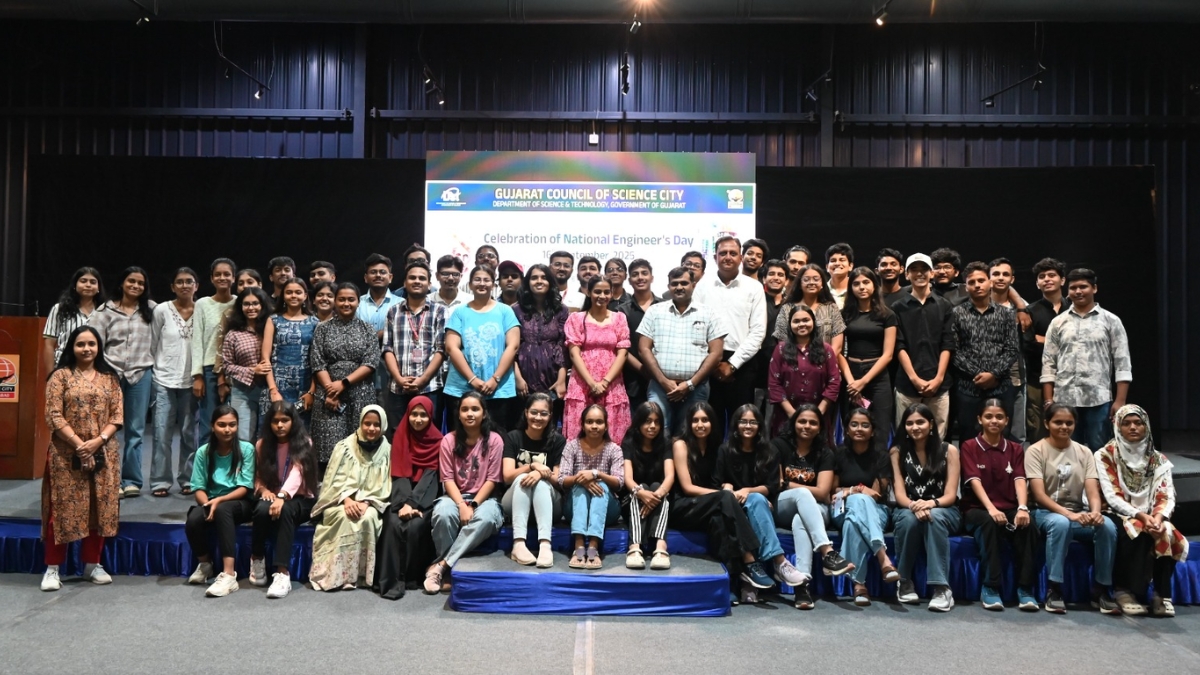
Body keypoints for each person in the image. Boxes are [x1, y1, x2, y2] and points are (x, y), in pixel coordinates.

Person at [39, 326, 123, 592]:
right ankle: (53, 569)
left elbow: (117, 416)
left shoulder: (110, 378)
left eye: (91, 344)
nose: (86, 349)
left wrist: (97, 442)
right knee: (61, 510)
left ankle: (92, 564)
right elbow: (53, 415)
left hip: (104, 452)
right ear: (71, 348)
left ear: (99, 347)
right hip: (66, 454)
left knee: (99, 508)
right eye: (80, 344)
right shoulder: (60, 376)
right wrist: (78, 444)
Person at [670, 402, 774, 603]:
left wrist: (727, 489)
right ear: (688, 423)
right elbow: (687, 488)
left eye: (705, 420)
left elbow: (720, 481)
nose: (700, 424)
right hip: (683, 507)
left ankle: (731, 584)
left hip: (707, 507)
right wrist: (726, 494)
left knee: (720, 521)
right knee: (726, 498)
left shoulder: (717, 447)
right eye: (696, 420)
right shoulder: (680, 444)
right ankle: (751, 560)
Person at [1025, 403, 1118, 614]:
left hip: (1076, 513)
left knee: (1108, 526)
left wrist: (1095, 512)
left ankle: (1101, 589)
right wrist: (1070, 515)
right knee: (1060, 523)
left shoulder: (1084, 452)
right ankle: (1054, 588)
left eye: (1069, 422)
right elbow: (1039, 495)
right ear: (1046, 423)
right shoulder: (1035, 450)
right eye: (1058, 422)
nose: (1064, 426)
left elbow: (1093, 491)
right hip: (1044, 513)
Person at [1096, 404, 1187, 618]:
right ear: (1118, 426)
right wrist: (1141, 516)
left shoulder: (1158, 459)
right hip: (1117, 511)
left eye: (1138, 423)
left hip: (1151, 515)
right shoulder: (1105, 455)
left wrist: (1157, 517)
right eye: (1126, 423)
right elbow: (1111, 495)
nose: (1133, 427)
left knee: (1167, 530)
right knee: (1134, 529)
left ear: (1146, 426)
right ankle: (1125, 591)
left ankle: (1160, 595)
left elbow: (1167, 495)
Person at [714, 404, 811, 603]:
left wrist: (748, 490)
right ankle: (778, 563)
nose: (747, 426)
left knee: (757, 501)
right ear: (735, 425)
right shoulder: (725, 450)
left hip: (761, 502)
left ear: (760, 425)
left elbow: (772, 486)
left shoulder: (769, 451)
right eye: (743, 421)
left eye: (752, 422)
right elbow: (717, 484)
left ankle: (756, 577)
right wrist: (729, 487)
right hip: (733, 504)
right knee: (753, 505)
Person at [771, 405, 857, 609]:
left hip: (816, 510)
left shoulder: (825, 453)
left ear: (819, 428)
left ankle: (802, 586)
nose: (807, 426)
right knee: (802, 494)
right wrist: (790, 487)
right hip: (783, 504)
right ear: (793, 424)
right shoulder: (778, 445)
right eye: (802, 421)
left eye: (812, 422)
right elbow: (776, 484)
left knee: (801, 519)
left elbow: (823, 493)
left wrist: (787, 483)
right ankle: (827, 552)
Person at [959, 399, 1039, 612]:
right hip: (977, 509)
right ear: (980, 419)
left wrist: (1023, 507)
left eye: (999, 417)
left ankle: (1025, 589)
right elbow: (974, 480)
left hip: (1009, 505)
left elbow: (1020, 479)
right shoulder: (969, 446)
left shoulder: (1015, 448)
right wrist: (992, 509)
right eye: (989, 416)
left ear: (1006, 421)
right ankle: (991, 587)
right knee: (989, 523)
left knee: (1029, 525)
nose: (994, 421)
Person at [1041, 268, 1132, 451]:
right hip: (1064, 399)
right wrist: (1049, 400)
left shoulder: (1111, 321)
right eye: (1073, 287)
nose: (1078, 291)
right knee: (1065, 450)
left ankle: (1097, 481)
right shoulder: (1058, 322)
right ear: (1068, 290)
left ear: (1094, 288)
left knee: (1099, 450)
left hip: (1098, 400)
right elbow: (1048, 363)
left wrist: (1120, 401)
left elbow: (1123, 362)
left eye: (1083, 286)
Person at [424, 393, 505, 594]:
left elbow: (492, 479)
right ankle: (449, 569)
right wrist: (461, 504)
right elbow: (447, 478)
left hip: (485, 499)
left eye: (475, 409)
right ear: (458, 414)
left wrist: (473, 506)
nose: (470, 413)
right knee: (443, 513)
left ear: (484, 414)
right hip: (455, 496)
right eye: (465, 409)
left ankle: (442, 566)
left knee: (486, 518)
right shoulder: (448, 440)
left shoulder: (494, 440)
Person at [309, 405, 392, 591]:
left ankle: (359, 576)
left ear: (383, 426)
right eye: (367, 423)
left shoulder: (387, 451)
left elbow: (386, 485)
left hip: (370, 502)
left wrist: (367, 501)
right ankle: (339, 575)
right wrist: (347, 499)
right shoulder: (344, 447)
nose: (371, 429)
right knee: (344, 517)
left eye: (376, 425)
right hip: (340, 501)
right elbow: (332, 481)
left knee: (369, 517)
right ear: (360, 423)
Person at [90, 266, 156, 499]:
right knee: (109, 429)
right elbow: (93, 343)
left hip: (141, 374)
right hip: (111, 375)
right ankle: (110, 479)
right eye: (131, 281)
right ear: (122, 283)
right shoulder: (105, 310)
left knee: (136, 431)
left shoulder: (152, 310)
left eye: (140, 283)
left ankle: (131, 480)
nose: (136, 286)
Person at [693, 236, 766, 442]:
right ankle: (711, 473)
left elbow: (758, 332)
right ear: (715, 257)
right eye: (722, 253)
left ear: (741, 257)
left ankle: (738, 473)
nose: (727, 257)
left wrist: (732, 365)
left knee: (743, 426)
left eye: (732, 253)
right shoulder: (702, 287)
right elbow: (695, 328)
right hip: (707, 364)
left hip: (742, 362)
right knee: (708, 425)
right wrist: (713, 363)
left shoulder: (754, 287)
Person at [890, 403, 962, 611]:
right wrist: (915, 506)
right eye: (909, 423)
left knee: (935, 517)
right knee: (908, 520)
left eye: (920, 422)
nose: (915, 427)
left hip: (944, 508)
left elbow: (950, 495)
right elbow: (900, 495)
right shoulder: (896, 451)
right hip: (908, 507)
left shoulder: (949, 450)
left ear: (931, 424)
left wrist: (931, 504)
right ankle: (904, 582)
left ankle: (941, 588)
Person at [637, 267, 726, 435]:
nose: (679, 287)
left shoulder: (709, 313)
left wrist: (690, 384)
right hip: (659, 387)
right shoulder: (655, 311)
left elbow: (716, 354)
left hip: (696, 388)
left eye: (684, 283)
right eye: (674, 284)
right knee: (657, 434)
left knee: (689, 435)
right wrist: (664, 381)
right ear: (668, 286)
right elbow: (643, 349)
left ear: (693, 284)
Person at [249, 401, 318, 599]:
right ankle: (257, 558)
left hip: (300, 498)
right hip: (273, 496)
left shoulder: (304, 442)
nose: (280, 425)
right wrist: (262, 490)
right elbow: (259, 477)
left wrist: (282, 496)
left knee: (286, 511)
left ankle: (282, 573)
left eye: (285, 420)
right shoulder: (262, 444)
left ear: (293, 421)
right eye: (275, 421)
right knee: (261, 510)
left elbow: (298, 473)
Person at [376, 395, 443, 599]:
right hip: (400, 496)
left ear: (431, 416)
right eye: (414, 414)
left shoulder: (438, 441)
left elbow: (431, 477)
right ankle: (389, 581)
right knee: (392, 523)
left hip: (425, 497)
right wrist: (403, 504)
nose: (418, 419)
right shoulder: (400, 437)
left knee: (415, 526)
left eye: (423, 415)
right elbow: (399, 473)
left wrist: (414, 503)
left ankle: (411, 577)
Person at [185, 405, 256, 598]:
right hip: (212, 500)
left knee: (224, 510)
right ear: (212, 426)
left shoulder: (247, 449)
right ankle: (205, 564)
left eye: (232, 425)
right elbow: (198, 487)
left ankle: (229, 575)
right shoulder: (203, 452)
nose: (227, 430)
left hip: (241, 502)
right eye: (222, 425)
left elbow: (245, 487)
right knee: (193, 519)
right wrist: (208, 504)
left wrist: (218, 502)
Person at [830, 408, 898, 607]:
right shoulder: (839, 453)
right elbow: (833, 492)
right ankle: (883, 558)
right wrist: (856, 490)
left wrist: (852, 492)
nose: (859, 429)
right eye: (854, 424)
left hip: (876, 512)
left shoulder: (881, 456)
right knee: (858, 502)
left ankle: (859, 585)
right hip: (840, 509)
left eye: (865, 425)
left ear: (873, 431)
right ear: (847, 430)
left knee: (854, 521)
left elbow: (876, 495)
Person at [442, 265, 521, 430]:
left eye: (487, 280)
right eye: (477, 279)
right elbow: (451, 347)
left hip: (498, 388)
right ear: (470, 284)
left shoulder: (505, 311)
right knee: (460, 439)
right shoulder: (460, 312)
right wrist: (472, 379)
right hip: (461, 387)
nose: (482, 283)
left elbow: (512, 346)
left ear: (493, 284)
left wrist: (495, 379)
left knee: (497, 440)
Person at [310, 282, 378, 471]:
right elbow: (317, 362)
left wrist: (345, 383)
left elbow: (371, 362)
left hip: (360, 391)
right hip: (329, 393)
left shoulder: (367, 329)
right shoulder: (322, 329)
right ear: (334, 302)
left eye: (351, 299)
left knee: (360, 443)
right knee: (328, 446)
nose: (346, 303)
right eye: (341, 299)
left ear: (358, 302)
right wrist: (331, 391)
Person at [950, 262, 1018, 443]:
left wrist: (994, 374)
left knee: (1002, 438)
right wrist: (978, 375)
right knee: (968, 439)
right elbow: (954, 351)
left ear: (990, 282)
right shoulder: (956, 314)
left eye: (981, 280)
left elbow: (1012, 349)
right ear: (966, 286)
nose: (977, 285)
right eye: (972, 282)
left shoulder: (1006, 314)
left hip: (1001, 385)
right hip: (967, 387)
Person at [891, 253, 956, 439]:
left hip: (939, 384)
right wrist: (914, 379)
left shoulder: (944, 305)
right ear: (907, 274)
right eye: (914, 270)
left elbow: (948, 343)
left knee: (938, 436)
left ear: (932, 273)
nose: (919, 274)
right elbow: (899, 345)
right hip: (907, 383)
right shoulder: (897, 307)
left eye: (924, 270)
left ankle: (935, 469)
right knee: (906, 435)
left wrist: (938, 378)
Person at [381, 261, 447, 438]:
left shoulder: (440, 311)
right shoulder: (393, 312)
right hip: (398, 387)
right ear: (405, 283)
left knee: (429, 435)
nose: (417, 281)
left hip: (430, 387)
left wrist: (422, 380)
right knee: (398, 435)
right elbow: (387, 349)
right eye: (412, 277)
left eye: (422, 278)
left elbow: (442, 350)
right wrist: (400, 379)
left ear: (429, 284)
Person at [149, 267, 198, 497]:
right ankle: (160, 481)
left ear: (196, 286)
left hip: (192, 382)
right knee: (161, 433)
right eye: (179, 282)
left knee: (190, 434)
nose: (184, 285)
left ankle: (188, 479)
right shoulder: (161, 310)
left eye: (189, 281)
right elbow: (153, 342)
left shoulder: (202, 310)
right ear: (172, 286)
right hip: (163, 379)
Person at [837, 267, 897, 452]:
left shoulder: (887, 314)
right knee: (851, 427)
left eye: (866, 282)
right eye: (856, 283)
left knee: (880, 428)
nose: (861, 287)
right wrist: (852, 382)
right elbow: (838, 351)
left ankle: (880, 479)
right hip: (851, 374)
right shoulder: (844, 314)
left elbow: (888, 354)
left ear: (874, 285)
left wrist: (863, 381)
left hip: (877, 376)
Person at [565, 276, 631, 441]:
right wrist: (591, 383)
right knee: (579, 430)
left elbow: (622, 353)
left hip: (611, 382)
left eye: (606, 292)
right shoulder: (576, 318)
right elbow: (574, 353)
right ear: (588, 292)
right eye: (597, 291)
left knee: (612, 431)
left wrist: (605, 382)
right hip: (582, 382)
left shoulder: (619, 318)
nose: (602, 296)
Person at [502, 393, 565, 568]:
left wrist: (540, 475)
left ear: (550, 416)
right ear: (525, 413)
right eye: (534, 412)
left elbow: (559, 480)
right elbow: (507, 476)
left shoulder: (558, 441)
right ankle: (519, 544)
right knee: (523, 477)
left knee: (542, 484)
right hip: (514, 503)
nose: (538, 417)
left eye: (544, 413)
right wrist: (533, 467)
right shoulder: (513, 437)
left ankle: (545, 545)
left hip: (549, 505)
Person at [560, 404, 625, 569]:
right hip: (574, 508)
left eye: (599, 422)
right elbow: (561, 480)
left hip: (607, 509)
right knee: (581, 486)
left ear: (606, 426)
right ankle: (579, 546)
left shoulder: (614, 449)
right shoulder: (571, 446)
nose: (594, 426)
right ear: (582, 425)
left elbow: (619, 483)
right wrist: (581, 478)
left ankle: (593, 547)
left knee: (600, 484)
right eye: (589, 422)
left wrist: (597, 474)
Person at [767, 304, 840, 438]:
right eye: (796, 321)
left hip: (819, 417)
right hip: (786, 416)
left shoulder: (826, 349)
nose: (801, 324)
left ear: (814, 322)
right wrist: (794, 415)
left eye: (806, 320)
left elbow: (834, 382)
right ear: (790, 325)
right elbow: (774, 384)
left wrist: (816, 414)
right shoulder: (780, 349)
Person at [191, 258, 237, 454]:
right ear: (211, 278)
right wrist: (198, 376)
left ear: (233, 277)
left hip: (236, 371)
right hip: (209, 370)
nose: (222, 277)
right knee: (208, 424)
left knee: (234, 426)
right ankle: (204, 474)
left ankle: (231, 472)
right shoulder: (202, 304)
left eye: (227, 274)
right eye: (218, 274)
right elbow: (197, 340)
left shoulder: (239, 302)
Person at [622, 401, 673, 570]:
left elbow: (670, 477)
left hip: (658, 499)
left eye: (657, 422)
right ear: (639, 422)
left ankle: (660, 547)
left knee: (659, 487)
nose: (652, 426)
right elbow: (628, 478)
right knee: (642, 486)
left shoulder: (665, 441)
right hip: (633, 498)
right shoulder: (629, 441)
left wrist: (656, 496)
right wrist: (640, 492)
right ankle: (635, 547)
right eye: (647, 421)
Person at [221, 287, 273, 443]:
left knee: (267, 438)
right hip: (242, 391)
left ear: (263, 305)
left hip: (268, 390)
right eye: (246, 304)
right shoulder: (234, 334)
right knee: (243, 438)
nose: (251, 308)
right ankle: (244, 468)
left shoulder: (271, 329)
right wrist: (253, 370)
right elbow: (227, 366)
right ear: (240, 307)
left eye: (255, 303)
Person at [512, 263, 569, 405]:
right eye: (534, 278)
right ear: (527, 283)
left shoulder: (561, 310)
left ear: (550, 282)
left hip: (553, 378)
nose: (539, 281)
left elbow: (562, 346)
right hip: (523, 379)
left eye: (544, 278)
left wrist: (561, 380)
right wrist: (518, 378)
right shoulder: (516, 310)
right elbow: (511, 348)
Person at [1024, 258, 1067, 442]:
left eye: (1052, 275)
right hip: (1037, 380)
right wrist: (1062, 343)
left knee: (1068, 427)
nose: (1047, 279)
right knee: (1038, 430)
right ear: (1037, 283)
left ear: (1062, 280)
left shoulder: (1074, 308)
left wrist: (1044, 338)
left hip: (1071, 380)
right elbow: (1028, 343)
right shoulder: (1029, 311)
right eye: (1042, 277)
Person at [262, 278, 318, 416]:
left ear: (305, 296)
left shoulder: (315, 322)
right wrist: (273, 390)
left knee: (301, 433)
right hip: (277, 386)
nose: (293, 296)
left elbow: (318, 361)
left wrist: (311, 391)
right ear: (283, 296)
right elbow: (265, 358)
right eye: (289, 292)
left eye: (298, 292)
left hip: (304, 388)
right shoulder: (273, 320)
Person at [988, 258, 1029, 444]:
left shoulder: (1023, 308)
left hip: (1015, 375)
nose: (1000, 278)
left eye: (1005, 274)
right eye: (996, 274)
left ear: (1012, 279)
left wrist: (1021, 306)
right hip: (986, 376)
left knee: (1016, 432)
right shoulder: (978, 301)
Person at [617, 258, 663, 410]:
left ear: (652, 277)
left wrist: (656, 372)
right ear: (629, 280)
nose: (640, 277)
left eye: (644, 273)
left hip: (664, 377)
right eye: (635, 274)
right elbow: (621, 345)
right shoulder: (622, 310)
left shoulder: (665, 306)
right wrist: (644, 370)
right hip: (633, 379)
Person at [772, 264, 846, 357]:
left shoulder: (831, 308)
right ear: (799, 284)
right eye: (806, 279)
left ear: (822, 283)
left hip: (825, 364)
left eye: (816, 279)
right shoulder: (787, 308)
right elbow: (782, 342)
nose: (811, 282)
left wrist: (822, 364)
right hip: (794, 365)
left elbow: (837, 346)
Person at [42, 266, 104, 374]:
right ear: (75, 285)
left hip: (96, 370)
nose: (88, 285)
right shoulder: (60, 309)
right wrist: (50, 375)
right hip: (64, 368)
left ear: (98, 287)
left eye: (93, 282)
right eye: (83, 281)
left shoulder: (105, 311)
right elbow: (49, 345)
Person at [357, 254, 401, 395]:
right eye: (373, 272)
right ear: (365, 277)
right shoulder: (355, 303)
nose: (378, 275)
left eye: (382, 272)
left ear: (390, 277)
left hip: (393, 368)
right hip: (359, 367)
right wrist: (381, 333)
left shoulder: (401, 304)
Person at [433, 254, 469, 319]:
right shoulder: (428, 301)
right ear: (437, 276)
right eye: (445, 274)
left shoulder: (470, 302)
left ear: (461, 276)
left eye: (455, 274)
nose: (450, 278)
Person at [824, 243, 854, 309]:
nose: (837, 263)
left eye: (842, 260)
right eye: (833, 260)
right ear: (827, 267)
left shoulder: (855, 289)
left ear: (850, 266)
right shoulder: (822, 290)